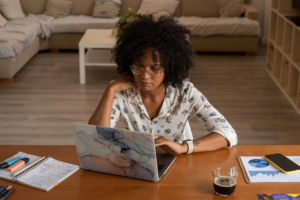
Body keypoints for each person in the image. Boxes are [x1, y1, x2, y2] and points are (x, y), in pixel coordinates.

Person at [88, 15, 237, 154]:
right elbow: (95, 138)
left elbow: (228, 133)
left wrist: (184, 147)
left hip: (177, 165)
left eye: (155, 69)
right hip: (136, 166)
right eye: (138, 67)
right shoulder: (121, 92)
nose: (144, 76)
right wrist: (110, 89)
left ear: (169, 68)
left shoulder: (186, 93)